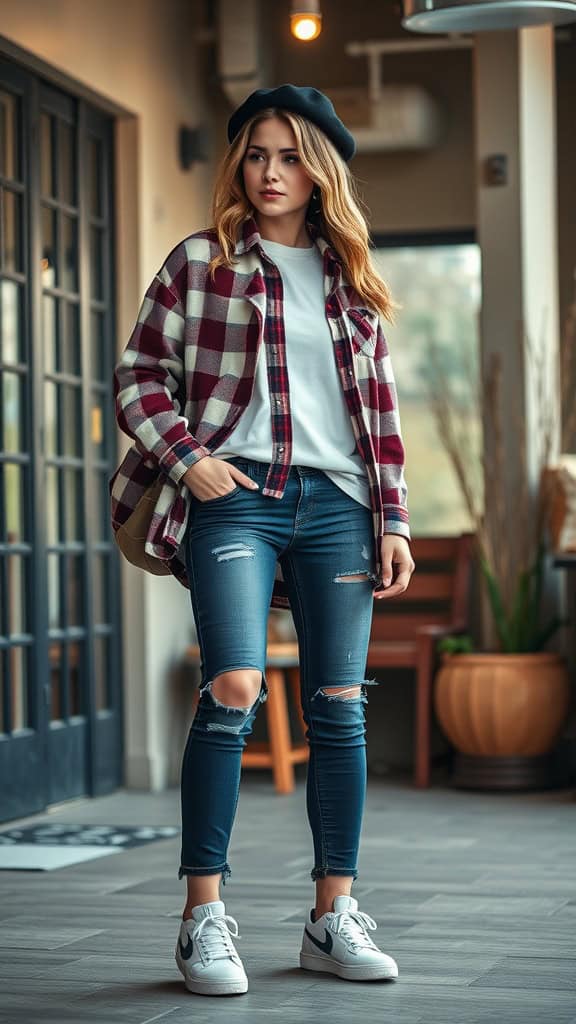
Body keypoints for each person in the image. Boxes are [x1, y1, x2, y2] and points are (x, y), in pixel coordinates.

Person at [112, 84, 415, 996]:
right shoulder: (201, 263)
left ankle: (333, 916)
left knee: (337, 704)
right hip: (236, 497)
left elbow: (383, 420)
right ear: (240, 165)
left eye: (288, 156)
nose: (270, 172)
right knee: (235, 681)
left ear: (318, 170)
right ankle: (202, 918)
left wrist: (393, 518)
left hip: (339, 507)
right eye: (256, 155)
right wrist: (190, 459)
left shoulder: (353, 282)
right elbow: (137, 377)